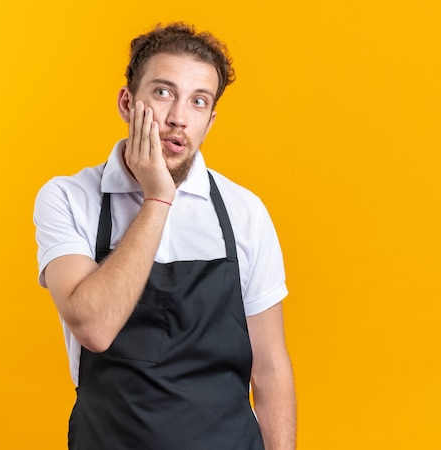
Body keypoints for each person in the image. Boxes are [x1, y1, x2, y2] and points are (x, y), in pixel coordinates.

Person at [34, 22, 296, 450]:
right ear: (126, 102)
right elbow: (95, 327)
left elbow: (269, 368)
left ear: (210, 121)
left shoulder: (244, 211)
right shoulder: (69, 198)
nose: (178, 117)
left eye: (198, 101)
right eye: (162, 92)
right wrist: (158, 197)